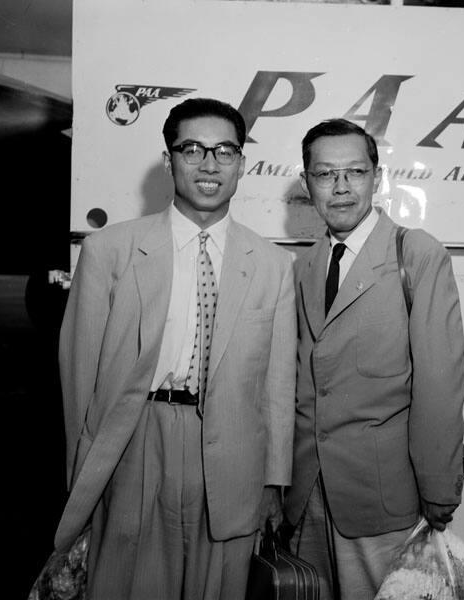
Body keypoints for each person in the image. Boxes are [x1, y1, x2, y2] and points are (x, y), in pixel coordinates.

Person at [53, 98, 297, 599]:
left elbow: (277, 388)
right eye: (193, 149)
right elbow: (79, 379)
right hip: (137, 442)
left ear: (241, 164)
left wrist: (274, 483)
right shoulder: (109, 251)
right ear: (169, 160)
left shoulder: (273, 265)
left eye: (225, 151)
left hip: (234, 458)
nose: (210, 165)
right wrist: (85, 477)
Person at [284, 118, 464, 599]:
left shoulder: (417, 254)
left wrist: (440, 488)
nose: (341, 188)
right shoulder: (304, 267)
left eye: (355, 173)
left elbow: (439, 386)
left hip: (381, 500)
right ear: (307, 184)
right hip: (308, 497)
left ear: (376, 177)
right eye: (325, 175)